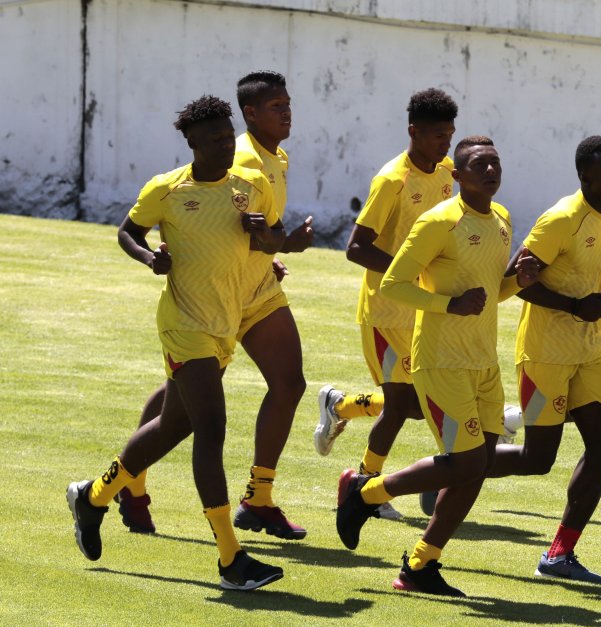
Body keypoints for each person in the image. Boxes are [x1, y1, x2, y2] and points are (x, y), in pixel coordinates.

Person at [67, 95, 285, 590]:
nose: (226, 146)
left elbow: (275, 238)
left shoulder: (250, 185)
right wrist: (150, 260)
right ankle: (231, 559)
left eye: (229, 137)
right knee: (212, 430)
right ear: (191, 143)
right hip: (183, 324)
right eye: (214, 140)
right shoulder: (167, 189)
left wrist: (266, 238)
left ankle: (93, 496)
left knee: (173, 425)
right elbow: (128, 232)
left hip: (225, 322)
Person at [111, 71, 314, 539]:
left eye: (288, 103)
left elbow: (258, 230)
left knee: (287, 383)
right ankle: (129, 480)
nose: (286, 112)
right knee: (183, 407)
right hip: (216, 300)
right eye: (275, 105)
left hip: (257, 289)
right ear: (249, 114)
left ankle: (258, 498)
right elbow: (188, 226)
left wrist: (274, 250)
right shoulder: (234, 159)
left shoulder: (273, 159)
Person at [335, 137, 537, 596]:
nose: (490, 169)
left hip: (484, 361)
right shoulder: (438, 222)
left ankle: (420, 565)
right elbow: (394, 284)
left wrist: (517, 283)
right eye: (479, 164)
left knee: (477, 465)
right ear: (458, 176)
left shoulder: (502, 220)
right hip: (441, 361)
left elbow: (487, 294)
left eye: (495, 162)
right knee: (464, 461)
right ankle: (366, 493)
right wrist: (448, 303)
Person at [485, 135, 601, 584]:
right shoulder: (560, 219)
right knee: (539, 458)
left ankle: (559, 554)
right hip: (545, 352)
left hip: (590, 348)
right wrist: (577, 307)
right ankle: (456, 470)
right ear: (586, 178)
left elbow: (585, 279)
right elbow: (521, 280)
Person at [313, 88, 458, 520]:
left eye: (449, 134)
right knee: (400, 406)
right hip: (386, 311)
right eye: (436, 135)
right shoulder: (393, 180)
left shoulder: (449, 172)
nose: (444, 144)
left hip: (423, 310)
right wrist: (407, 269)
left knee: (415, 408)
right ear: (413, 131)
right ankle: (363, 487)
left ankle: (340, 406)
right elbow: (357, 247)